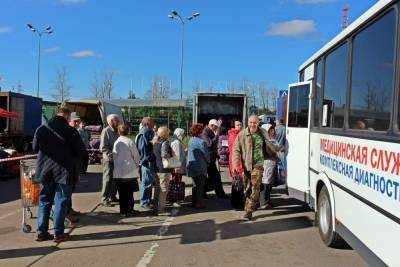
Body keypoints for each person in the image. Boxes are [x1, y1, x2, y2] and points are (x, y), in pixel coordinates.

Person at [33, 107, 85, 243]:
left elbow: (34, 148)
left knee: (44, 201)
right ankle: (58, 233)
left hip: (45, 171)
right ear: (67, 117)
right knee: (61, 202)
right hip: (64, 172)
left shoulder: (41, 129)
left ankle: (41, 232)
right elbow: (80, 151)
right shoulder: (71, 131)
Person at [232, 115, 282, 221]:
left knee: (255, 187)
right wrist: (236, 164)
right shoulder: (242, 135)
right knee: (247, 189)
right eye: (250, 122)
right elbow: (236, 150)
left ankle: (248, 211)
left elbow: (269, 145)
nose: (252, 125)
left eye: (254, 123)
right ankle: (249, 203)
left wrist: (276, 153)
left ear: (258, 123)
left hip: (258, 165)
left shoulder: (262, 133)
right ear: (248, 122)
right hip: (246, 166)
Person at [113, 124, 140, 217]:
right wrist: (137, 165)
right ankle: (129, 210)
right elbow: (136, 155)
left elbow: (114, 156)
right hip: (129, 171)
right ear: (128, 132)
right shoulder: (129, 141)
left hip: (118, 171)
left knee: (121, 192)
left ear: (118, 132)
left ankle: (123, 211)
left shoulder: (116, 142)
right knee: (129, 192)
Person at [187, 123, 209, 209]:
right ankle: (198, 203)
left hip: (192, 165)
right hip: (200, 166)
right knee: (200, 186)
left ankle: (194, 202)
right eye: (202, 130)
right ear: (199, 131)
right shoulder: (201, 142)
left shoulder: (191, 140)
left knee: (195, 185)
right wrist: (208, 162)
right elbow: (206, 155)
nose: (203, 131)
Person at [203, 119, 227, 198]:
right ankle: (204, 193)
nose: (216, 129)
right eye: (216, 127)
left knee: (216, 177)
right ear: (211, 126)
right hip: (207, 159)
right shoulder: (205, 132)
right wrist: (216, 135)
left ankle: (220, 194)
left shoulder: (210, 131)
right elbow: (209, 144)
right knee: (211, 177)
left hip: (211, 159)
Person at [153, 127, 174, 215]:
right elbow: (164, 154)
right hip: (164, 168)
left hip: (156, 168)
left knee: (157, 189)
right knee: (163, 189)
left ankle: (155, 207)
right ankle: (160, 210)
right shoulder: (164, 143)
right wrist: (171, 155)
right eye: (168, 132)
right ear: (165, 134)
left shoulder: (155, 142)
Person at [100, 114, 120, 207]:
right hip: (109, 160)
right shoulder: (106, 131)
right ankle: (104, 199)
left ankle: (112, 196)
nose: (118, 122)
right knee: (107, 179)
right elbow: (103, 147)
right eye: (117, 120)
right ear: (111, 121)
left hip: (116, 159)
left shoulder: (116, 131)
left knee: (115, 179)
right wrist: (113, 155)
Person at [136, 117, 155, 210]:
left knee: (147, 181)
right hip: (147, 161)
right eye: (152, 121)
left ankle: (147, 199)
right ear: (147, 123)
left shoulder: (143, 131)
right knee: (147, 182)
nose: (154, 123)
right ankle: (144, 201)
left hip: (145, 160)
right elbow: (143, 148)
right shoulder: (147, 132)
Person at [259, 124, 279, 209]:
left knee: (270, 183)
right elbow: (269, 152)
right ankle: (263, 202)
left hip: (273, 163)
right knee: (265, 182)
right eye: (270, 130)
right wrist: (276, 155)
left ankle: (267, 201)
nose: (272, 131)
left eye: (273, 130)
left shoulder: (272, 140)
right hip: (267, 163)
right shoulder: (265, 141)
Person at [170, 128, 186, 206]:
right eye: (182, 134)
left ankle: (175, 198)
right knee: (176, 183)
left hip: (177, 166)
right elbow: (177, 156)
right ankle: (174, 199)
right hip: (177, 167)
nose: (183, 136)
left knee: (176, 183)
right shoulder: (177, 142)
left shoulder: (176, 141)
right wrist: (177, 167)